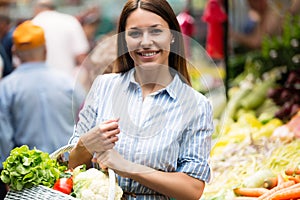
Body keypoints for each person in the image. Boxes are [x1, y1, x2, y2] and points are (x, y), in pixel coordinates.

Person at [68, 0, 214, 199]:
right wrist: (85, 145)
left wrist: (127, 168)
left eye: (156, 31)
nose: (145, 42)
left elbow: (192, 189)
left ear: (172, 36)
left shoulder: (195, 105)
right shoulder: (103, 87)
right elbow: (70, 166)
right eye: (135, 33)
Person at [0, 21, 86, 197]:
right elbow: (85, 124)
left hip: (28, 181)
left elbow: (4, 138)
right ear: (46, 50)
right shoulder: (68, 83)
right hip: (67, 178)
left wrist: (8, 176)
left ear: (14, 52)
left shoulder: (6, 88)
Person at [32, 0, 89, 77]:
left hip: (39, 80)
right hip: (67, 79)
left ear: (36, 9)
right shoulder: (70, 21)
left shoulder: (30, 25)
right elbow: (81, 56)